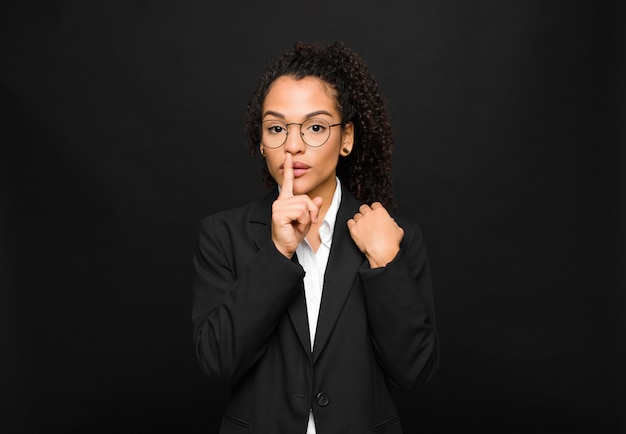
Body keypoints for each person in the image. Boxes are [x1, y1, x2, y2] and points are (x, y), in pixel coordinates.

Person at [192, 41, 438, 434]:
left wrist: (386, 265)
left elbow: (414, 372)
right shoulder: (223, 235)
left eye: (316, 127)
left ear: (347, 138)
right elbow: (219, 362)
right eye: (276, 128)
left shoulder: (393, 236)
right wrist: (277, 253)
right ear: (261, 141)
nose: (293, 145)